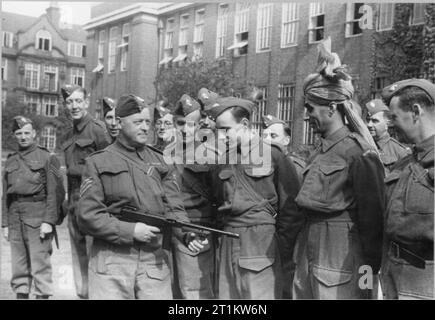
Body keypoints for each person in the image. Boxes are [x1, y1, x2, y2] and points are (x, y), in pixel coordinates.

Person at [77, 94, 207, 299]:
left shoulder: (161, 161)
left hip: (153, 260)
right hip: (112, 260)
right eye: (138, 122)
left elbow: (174, 208)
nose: (146, 127)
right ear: (119, 123)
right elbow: (87, 216)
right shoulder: (98, 162)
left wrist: (186, 233)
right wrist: (130, 230)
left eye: (147, 122)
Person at [292, 38, 385, 299]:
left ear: (332, 108)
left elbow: (373, 219)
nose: (307, 115)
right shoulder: (320, 150)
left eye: (311, 108)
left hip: (342, 253)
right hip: (310, 248)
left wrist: (368, 278)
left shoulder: (358, 152)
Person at [209, 96, 304, 299]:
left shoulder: (273, 155)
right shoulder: (222, 160)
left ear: (244, 124)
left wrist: (279, 245)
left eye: (225, 129)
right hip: (228, 241)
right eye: (218, 130)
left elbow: (292, 207)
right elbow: (217, 200)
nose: (221, 136)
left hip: (262, 244)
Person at [380, 79, 434, 300]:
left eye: (394, 117)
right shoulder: (404, 164)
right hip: (394, 273)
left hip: (426, 279)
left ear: (415, 112)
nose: (391, 125)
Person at [2, 116, 64, 299]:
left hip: (37, 215)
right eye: (19, 133)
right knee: (18, 266)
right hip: (15, 215)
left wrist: (48, 221)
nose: (23, 137)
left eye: (27, 132)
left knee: (40, 265)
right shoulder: (11, 159)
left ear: (34, 134)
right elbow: (5, 194)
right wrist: (5, 223)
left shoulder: (47, 157)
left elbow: (55, 193)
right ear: (14, 135)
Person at [60, 84, 111, 299]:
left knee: (94, 256)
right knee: (78, 255)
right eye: (70, 102)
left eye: (78, 101)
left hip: (92, 201)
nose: (74, 106)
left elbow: (109, 166)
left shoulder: (98, 130)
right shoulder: (68, 133)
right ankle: (82, 295)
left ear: (86, 102)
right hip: (73, 199)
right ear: (65, 105)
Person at [170, 94, 218, 299]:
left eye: (190, 124)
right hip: (167, 229)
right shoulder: (161, 155)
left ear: (200, 126)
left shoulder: (211, 156)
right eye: (180, 124)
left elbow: (220, 197)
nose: (185, 129)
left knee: (196, 294)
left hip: (196, 230)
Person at [366, 99, 410, 173]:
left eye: (375, 121)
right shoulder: (362, 145)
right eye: (368, 120)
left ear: (387, 123)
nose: (369, 125)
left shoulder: (399, 151)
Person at [262, 114, 306, 182]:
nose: (266, 140)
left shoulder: (294, 168)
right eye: (264, 136)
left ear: (286, 140)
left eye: (273, 136)